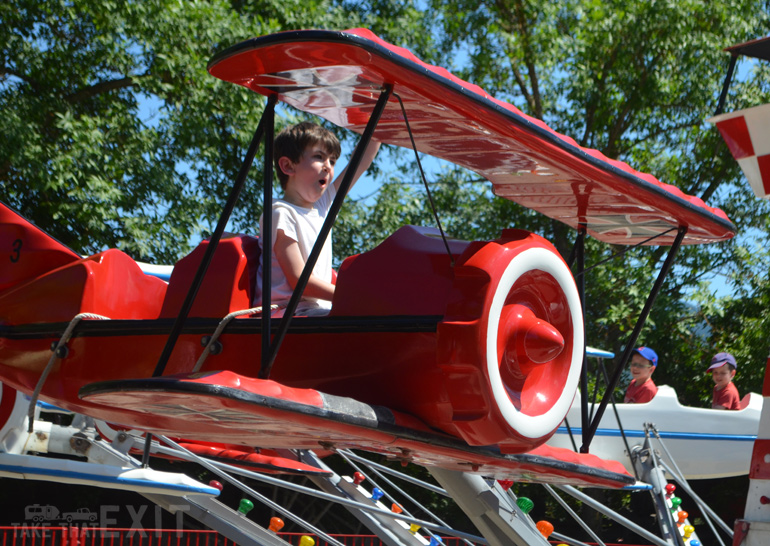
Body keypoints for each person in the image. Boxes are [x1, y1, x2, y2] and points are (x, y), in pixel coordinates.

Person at [256, 121, 380, 316]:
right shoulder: (281, 213)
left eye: (332, 161)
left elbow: (361, 161)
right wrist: (351, 294)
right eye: (319, 157)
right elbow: (300, 282)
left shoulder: (322, 207)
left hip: (314, 311)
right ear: (288, 166)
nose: (328, 167)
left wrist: (379, 126)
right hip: (286, 315)